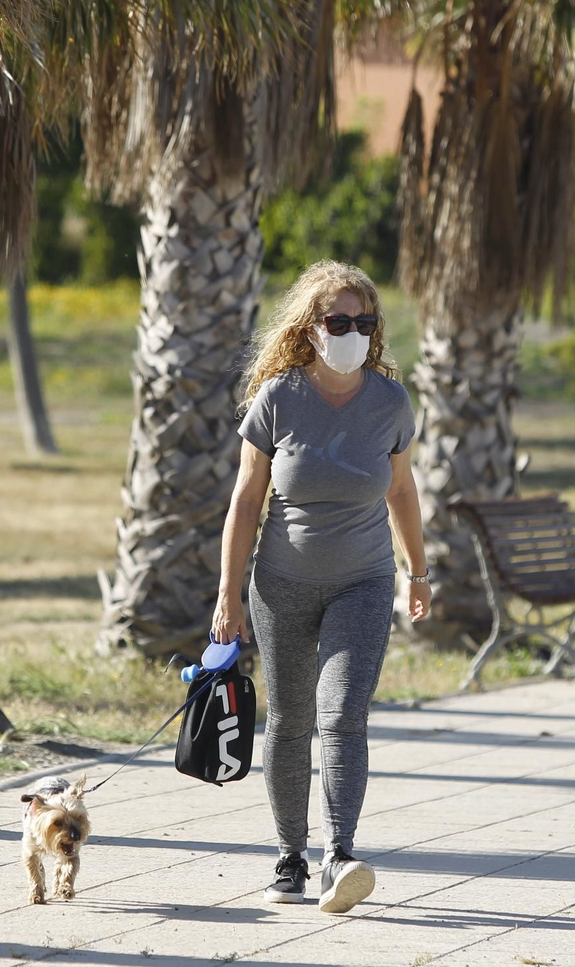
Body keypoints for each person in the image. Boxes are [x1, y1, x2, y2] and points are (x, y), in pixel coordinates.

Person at [212, 260, 430, 915]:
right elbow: (246, 499)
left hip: (364, 582)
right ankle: (290, 855)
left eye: (364, 323)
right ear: (310, 328)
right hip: (281, 584)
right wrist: (227, 595)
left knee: (341, 714)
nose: (352, 334)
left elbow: (401, 490)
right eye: (338, 322)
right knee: (289, 720)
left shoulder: (389, 402)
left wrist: (418, 572)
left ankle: (339, 854)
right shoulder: (278, 397)